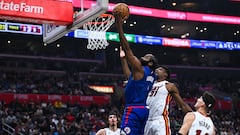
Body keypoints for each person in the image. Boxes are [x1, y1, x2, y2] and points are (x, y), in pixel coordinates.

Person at [114, 11, 158, 135]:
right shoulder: (150, 75)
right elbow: (130, 77)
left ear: (150, 63)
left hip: (133, 109)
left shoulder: (139, 68)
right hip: (144, 110)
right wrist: (123, 59)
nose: (144, 56)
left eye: (147, 57)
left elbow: (128, 49)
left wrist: (119, 25)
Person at [144, 66, 193, 135]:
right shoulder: (149, 84)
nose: (157, 70)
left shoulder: (168, 85)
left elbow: (182, 105)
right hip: (147, 120)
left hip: (160, 120)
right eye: (156, 69)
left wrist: (195, 116)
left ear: (165, 74)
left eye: (160, 69)